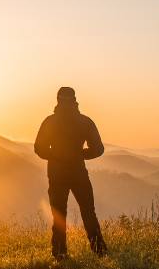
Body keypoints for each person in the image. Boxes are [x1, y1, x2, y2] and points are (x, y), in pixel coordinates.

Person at [34, 86, 107, 259]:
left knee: (59, 214)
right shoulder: (84, 121)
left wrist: (55, 155)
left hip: (56, 173)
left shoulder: (50, 122)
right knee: (88, 211)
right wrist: (80, 154)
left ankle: (60, 254)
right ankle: (100, 251)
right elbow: (98, 149)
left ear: (58, 100)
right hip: (78, 172)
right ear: (75, 100)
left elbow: (39, 148)